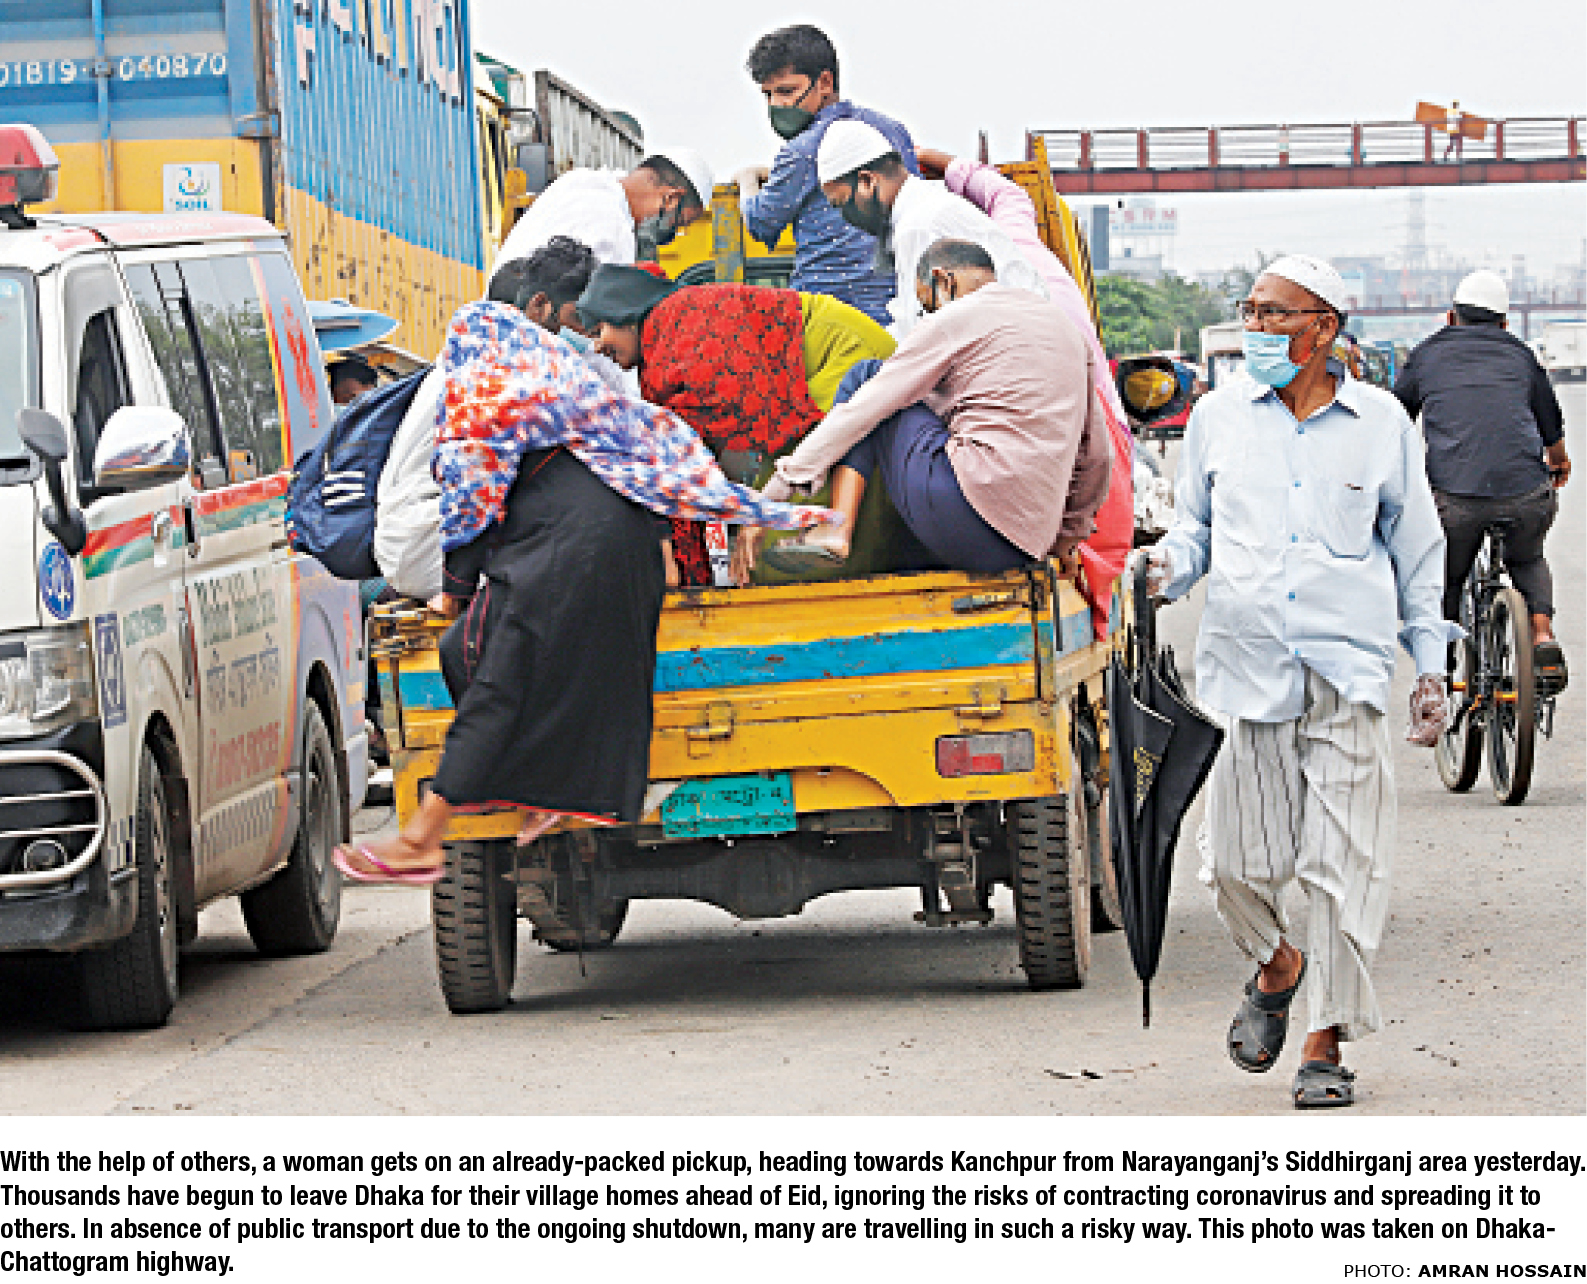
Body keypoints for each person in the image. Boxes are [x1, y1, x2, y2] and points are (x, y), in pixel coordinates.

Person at [334, 296, 832, 883]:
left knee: (492, 682)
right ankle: (545, 797)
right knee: (568, 676)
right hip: (628, 556)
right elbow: (655, 463)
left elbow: (471, 505)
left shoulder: (486, 398)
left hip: (559, 554)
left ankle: (423, 839)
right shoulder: (578, 394)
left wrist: (455, 589)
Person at [1138, 255, 1458, 1110]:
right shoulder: (1217, 417)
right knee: (1235, 866)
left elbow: (1416, 549)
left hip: (1347, 669)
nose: (1255, 327)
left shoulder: (1379, 422)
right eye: (1249, 310)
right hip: (1248, 670)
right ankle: (1277, 966)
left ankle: (1325, 1042)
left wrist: (1429, 663)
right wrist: (1164, 566)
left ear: (1323, 328)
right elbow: (1196, 531)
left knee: (1339, 868)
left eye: (1273, 313)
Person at [752, 239, 1112, 582]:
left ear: (944, 281)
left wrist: (772, 497)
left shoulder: (956, 318)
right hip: (1023, 546)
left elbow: (865, 408)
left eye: (927, 306)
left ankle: (836, 527)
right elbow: (1098, 456)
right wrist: (1067, 539)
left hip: (963, 515)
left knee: (867, 378)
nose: (930, 315)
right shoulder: (1067, 331)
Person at [915, 146, 1136, 636]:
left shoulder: (955, 313)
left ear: (942, 277)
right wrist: (939, 161)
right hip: (1091, 436)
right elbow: (1009, 196)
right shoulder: (1021, 245)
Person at [576, 262, 901, 581]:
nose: (597, 346)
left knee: (779, 551)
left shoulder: (681, 341)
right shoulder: (664, 342)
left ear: (626, 316)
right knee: (767, 538)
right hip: (809, 378)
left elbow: (698, 454)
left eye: (599, 330)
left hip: (847, 358)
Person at [374, 238, 611, 604]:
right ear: (539, 305)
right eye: (577, 320)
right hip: (429, 545)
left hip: (414, 537)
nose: (585, 337)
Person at [1393, 268, 1571, 691]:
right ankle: (1541, 633)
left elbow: (1394, 422)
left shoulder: (1426, 356)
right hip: (1525, 492)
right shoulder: (1521, 356)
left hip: (1454, 499)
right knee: (1527, 558)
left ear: (1450, 316)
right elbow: (1550, 421)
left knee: (1446, 577)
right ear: (1505, 323)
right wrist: (1559, 462)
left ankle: (1439, 670)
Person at [736, 23, 917, 326]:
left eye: (786, 91)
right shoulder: (892, 131)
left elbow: (761, 222)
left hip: (826, 317)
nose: (776, 105)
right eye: (768, 95)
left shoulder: (802, 151)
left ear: (824, 82)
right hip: (898, 310)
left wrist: (747, 180)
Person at [814, 119, 1047, 336]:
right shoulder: (925, 207)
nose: (846, 218)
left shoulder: (919, 225)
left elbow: (916, 332)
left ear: (867, 181)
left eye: (842, 204)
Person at [491, 147, 714, 290]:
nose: (673, 235)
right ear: (671, 199)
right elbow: (599, 322)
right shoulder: (614, 230)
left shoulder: (579, 181)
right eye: (680, 224)